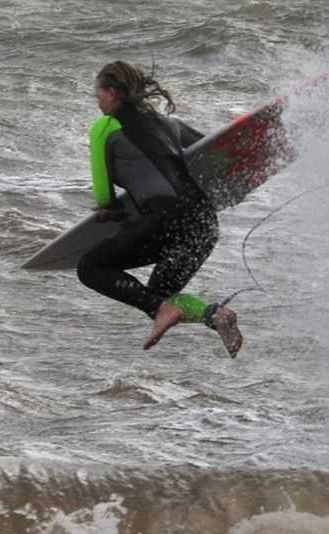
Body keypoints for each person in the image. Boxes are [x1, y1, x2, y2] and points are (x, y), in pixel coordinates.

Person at [76, 61, 243, 358]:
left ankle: (163, 312)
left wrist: (107, 209)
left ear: (113, 93)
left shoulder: (104, 127)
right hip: (204, 223)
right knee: (155, 298)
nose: (98, 102)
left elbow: (103, 194)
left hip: (168, 218)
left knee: (90, 267)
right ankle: (216, 316)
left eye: (98, 95)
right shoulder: (169, 125)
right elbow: (212, 153)